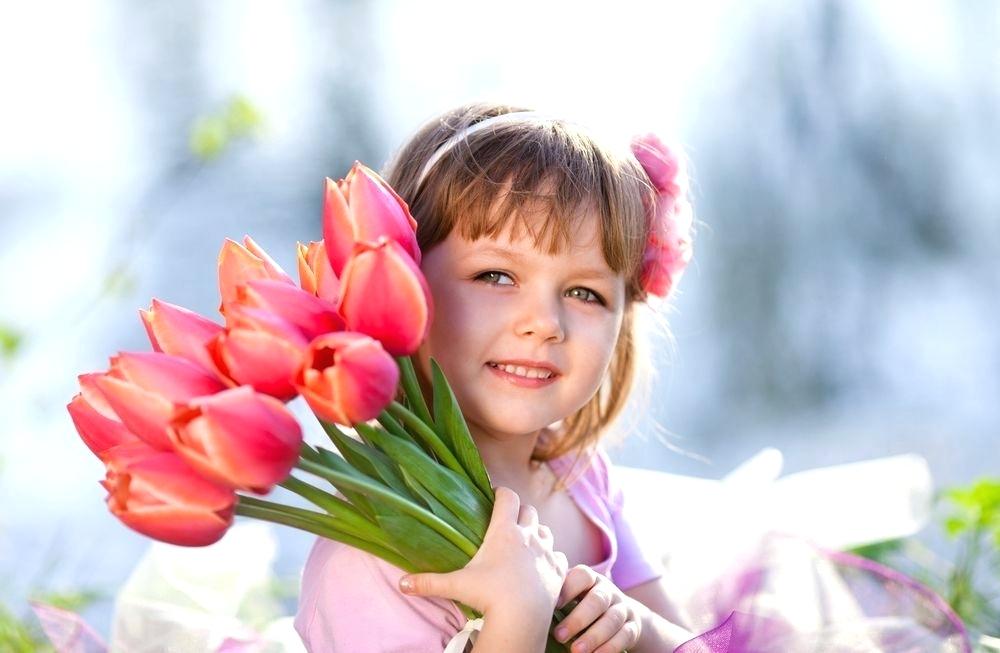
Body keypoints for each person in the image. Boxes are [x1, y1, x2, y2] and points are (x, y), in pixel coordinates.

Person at [294, 102, 697, 652]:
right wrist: (515, 618)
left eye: (585, 292)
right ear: (404, 281)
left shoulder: (579, 480)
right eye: (496, 275)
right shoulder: (370, 556)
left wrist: (639, 627)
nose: (544, 323)